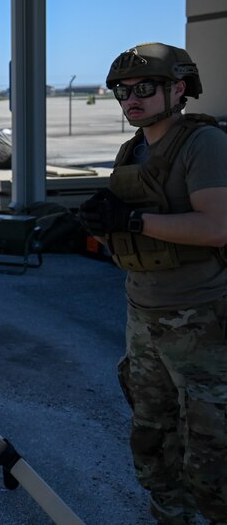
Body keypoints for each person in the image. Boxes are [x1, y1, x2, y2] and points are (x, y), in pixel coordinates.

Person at [78, 42, 227, 525]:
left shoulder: (203, 144)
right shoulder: (134, 149)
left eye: (144, 88)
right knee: (152, 432)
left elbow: (216, 227)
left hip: (201, 318)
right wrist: (106, 224)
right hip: (144, 312)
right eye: (122, 91)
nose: (131, 100)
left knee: (211, 443)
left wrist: (133, 221)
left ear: (178, 89)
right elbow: (137, 226)